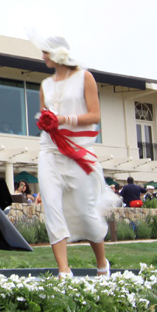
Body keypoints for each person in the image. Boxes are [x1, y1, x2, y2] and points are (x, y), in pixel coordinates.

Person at [32, 34, 113, 278]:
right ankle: (64, 271)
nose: (42, 56)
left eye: (46, 52)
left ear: (58, 53)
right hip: (49, 150)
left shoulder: (84, 77)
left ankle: (102, 264)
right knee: (52, 208)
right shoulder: (45, 84)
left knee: (86, 211)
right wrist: (45, 121)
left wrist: (66, 120)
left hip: (76, 151)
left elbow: (95, 115)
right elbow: (46, 114)